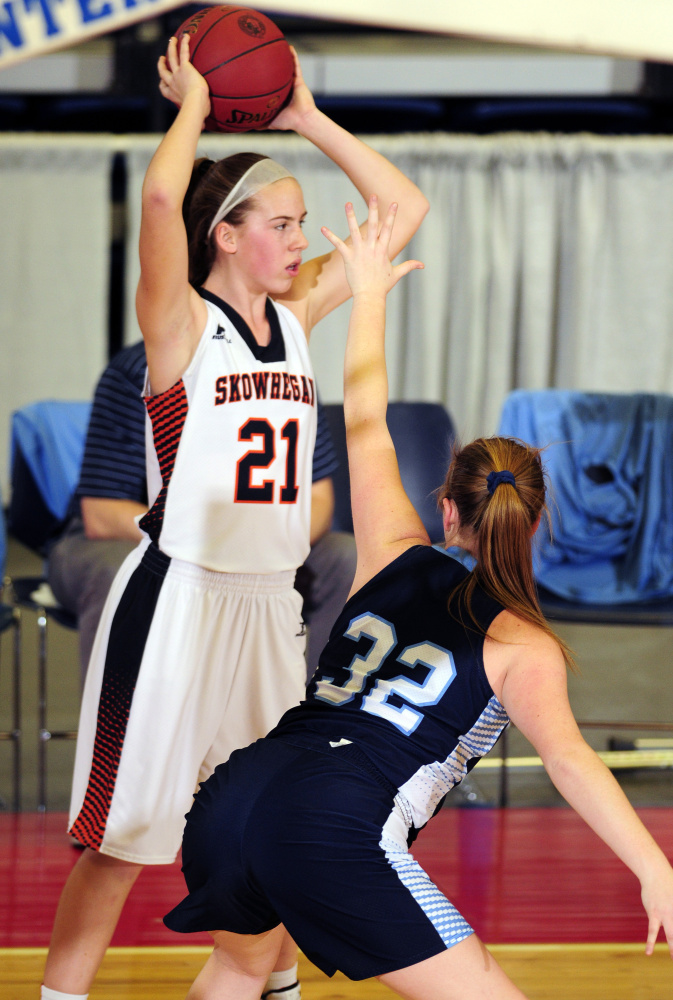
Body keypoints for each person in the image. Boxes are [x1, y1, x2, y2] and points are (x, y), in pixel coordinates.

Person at [161, 197, 673, 1000]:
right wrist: (655, 869)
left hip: (239, 792)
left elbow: (365, 420)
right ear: (537, 523)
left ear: (446, 509)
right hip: (332, 824)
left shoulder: (390, 552)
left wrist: (368, 296)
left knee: (237, 966)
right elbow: (571, 763)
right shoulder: (523, 648)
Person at [40, 34, 429, 1000]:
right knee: (124, 836)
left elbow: (402, 209)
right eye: (285, 224)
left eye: (303, 226)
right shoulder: (178, 328)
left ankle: (271, 985)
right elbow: (166, 198)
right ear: (228, 235)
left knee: (266, 821)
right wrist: (190, 108)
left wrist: (303, 117)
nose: (305, 240)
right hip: (177, 598)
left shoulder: (296, 317)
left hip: (268, 606)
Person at [47, 340, 356, 687]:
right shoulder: (140, 368)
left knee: (345, 557)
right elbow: (102, 514)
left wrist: (263, 547)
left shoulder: (290, 370)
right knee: (117, 570)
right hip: (139, 540)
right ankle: (120, 734)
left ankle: (320, 723)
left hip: (258, 542)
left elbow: (319, 500)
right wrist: (208, 546)